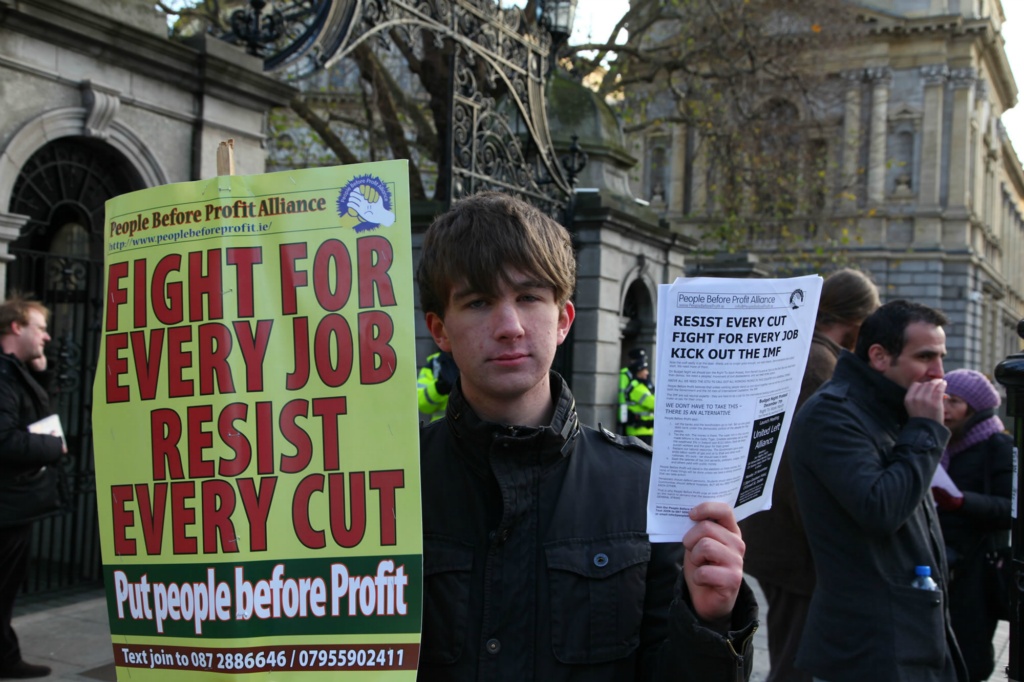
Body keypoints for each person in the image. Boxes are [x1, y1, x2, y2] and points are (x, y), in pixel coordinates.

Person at [415, 191, 757, 681]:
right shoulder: (392, 487)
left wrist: (711, 619)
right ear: (439, 329)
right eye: (478, 301)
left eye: (529, 297)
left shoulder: (644, 489)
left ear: (563, 320)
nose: (509, 326)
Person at [789, 299, 967, 682]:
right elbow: (880, 507)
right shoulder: (833, 414)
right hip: (868, 646)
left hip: (908, 635)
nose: (939, 373)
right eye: (925, 357)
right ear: (880, 356)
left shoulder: (891, 409)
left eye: (941, 357)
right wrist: (926, 432)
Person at [740, 268, 879, 682]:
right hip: (797, 543)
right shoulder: (819, 367)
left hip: (776, 533)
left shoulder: (800, 352)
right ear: (858, 321)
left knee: (793, 651)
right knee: (798, 661)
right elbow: (805, 469)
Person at [933, 369, 1012, 682]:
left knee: (970, 651)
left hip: (977, 569)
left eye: (954, 401)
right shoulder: (941, 440)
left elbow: (1011, 508)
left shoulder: (997, 446)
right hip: (940, 561)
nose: (945, 408)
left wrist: (963, 502)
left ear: (975, 408)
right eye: (942, 399)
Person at [0, 296, 64, 680]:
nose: (46, 335)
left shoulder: (13, 372)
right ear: (15, 327)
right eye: (39, 327)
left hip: (12, 503)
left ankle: (6, 657)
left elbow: (31, 415)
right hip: (6, 505)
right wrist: (55, 447)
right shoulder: (3, 375)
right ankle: (6, 659)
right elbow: (4, 440)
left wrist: (40, 372)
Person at [620, 349, 655, 444]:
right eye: (645, 370)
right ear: (639, 371)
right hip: (639, 430)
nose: (647, 373)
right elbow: (655, 405)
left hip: (643, 429)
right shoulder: (637, 388)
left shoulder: (641, 386)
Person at [417, 349, 459, 421]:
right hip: (443, 429)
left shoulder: (477, 357)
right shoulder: (435, 363)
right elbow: (421, 404)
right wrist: (438, 388)